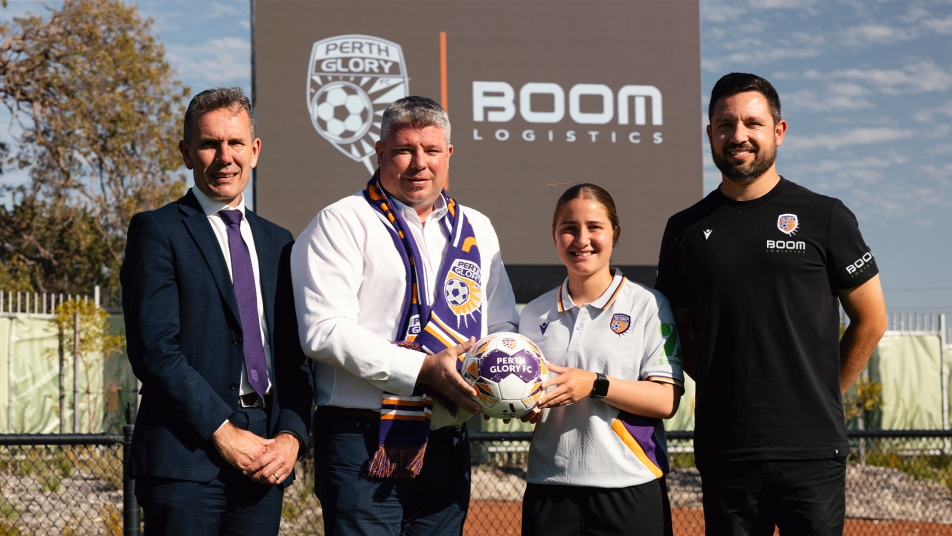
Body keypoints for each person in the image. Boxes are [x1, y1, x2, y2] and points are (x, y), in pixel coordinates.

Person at [655, 73, 888, 536]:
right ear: (710, 134)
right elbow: (680, 335)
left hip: (813, 452)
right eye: (725, 125)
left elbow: (872, 321)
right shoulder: (683, 230)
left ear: (778, 131)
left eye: (752, 123)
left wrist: (822, 392)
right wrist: (723, 385)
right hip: (726, 451)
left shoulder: (826, 216)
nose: (738, 135)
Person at [290, 95, 520, 535]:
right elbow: (324, 331)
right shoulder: (341, 221)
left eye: (431, 150)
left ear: (448, 153)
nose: (419, 164)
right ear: (380, 153)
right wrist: (423, 369)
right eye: (404, 150)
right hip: (362, 438)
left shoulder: (476, 228)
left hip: (449, 438)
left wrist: (505, 384)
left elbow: (501, 325)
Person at [120, 87, 312, 535]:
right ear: (186, 153)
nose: (225, 157)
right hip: (185, 454)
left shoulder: (279, 242)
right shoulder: (156, 230)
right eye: (210, 144)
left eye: (236, 143)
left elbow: (294, 356)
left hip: (265, 453)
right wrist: (223, 432)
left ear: (255, 150)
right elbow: (154, 350)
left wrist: (291, 437)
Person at [517, 183, 684, 536]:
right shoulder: (534, 313)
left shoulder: (649, 305)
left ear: (615, 234)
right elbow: (531, 397)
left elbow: (666, 400)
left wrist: (595, 384)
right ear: (554, 235)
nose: (582, 240)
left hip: (630, 486)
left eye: (594, 227)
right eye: (569, 228)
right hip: (550, 485)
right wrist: (518, 404)